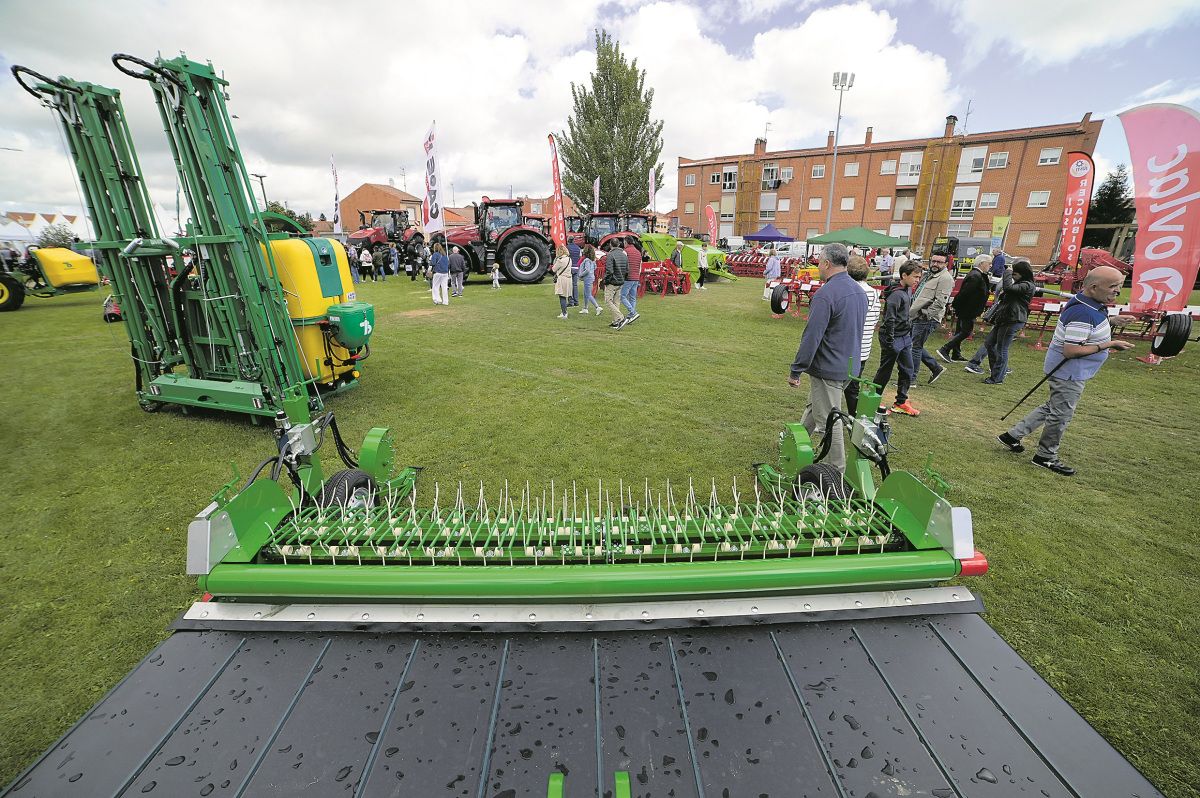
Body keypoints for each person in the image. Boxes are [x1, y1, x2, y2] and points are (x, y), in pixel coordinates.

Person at [998, 266, 1134, 476]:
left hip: (1068, 371)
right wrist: (1108, 344)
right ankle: (1045, 456)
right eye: (1113, 286)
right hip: (1069, 371)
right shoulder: (1083, 312)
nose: (1117, 291)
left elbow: (1087, 329)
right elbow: (1071, 350)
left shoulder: (1090, 304)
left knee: (1052, 406)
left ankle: (1013, 435)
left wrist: (1112, 322)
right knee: (1061, 414)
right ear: (1094, 287)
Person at [786, 243, 867, 471]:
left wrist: (796, 369)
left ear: (827, 263)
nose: (818, 266)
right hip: (848, 367)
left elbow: (812, 336)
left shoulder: (826, 294)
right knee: (817, 408)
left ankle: (836, 473)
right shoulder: (859, 291)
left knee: (830, 422)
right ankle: (793, 448)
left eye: (819, 262)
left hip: (828, 367)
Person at [964, 259, 1037, 383]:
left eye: (1015, 273)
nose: (1012, 276)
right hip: (1004, 318)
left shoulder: (1027, 285)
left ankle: (997, 377)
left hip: (1012, 319)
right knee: (989, 344)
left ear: (1022, 273)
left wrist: (1007, 272)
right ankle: (996, 372)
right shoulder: (1021, 283)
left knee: (1002, 348)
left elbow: (1008, 288)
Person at [873, 261, 922, 416]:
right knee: (885, 371)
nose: (917, 280)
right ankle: (873, 401)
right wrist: (889, 340)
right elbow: (889, 319)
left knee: (908, 369)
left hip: (905, 337)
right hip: (892, 338)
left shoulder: (908, 290)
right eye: (915, 276)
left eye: (919, 277)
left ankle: (901, 402)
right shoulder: (896, 294)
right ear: (904, 275)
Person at [844, 255, 881, 416]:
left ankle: (853, 418)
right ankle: (855, 418)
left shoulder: (851, 292)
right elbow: (875, 320)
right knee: (852, 387)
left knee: (839, 386)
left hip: (848, 348)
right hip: (864, 349)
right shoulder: (874, 293)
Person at [909, 253, 954, 384]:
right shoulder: (928, 274)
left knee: (915, 347)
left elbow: (941, 302)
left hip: (927, 318)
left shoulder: (945, 278)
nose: (935, 264)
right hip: (917, 315)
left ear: (945, 264)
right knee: (914, 345)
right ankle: (936, 368)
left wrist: (926, 314)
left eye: (939, 262)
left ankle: (911, 380)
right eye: (933, 261)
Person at [938, 253, 991, 363]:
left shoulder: (977, 275)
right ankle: (945, 349)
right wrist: (956, 305)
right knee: (966, 331)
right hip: (968, 309)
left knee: (960, 331)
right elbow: (964, 293)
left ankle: (956, 353)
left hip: (967, 308)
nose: (990, 265)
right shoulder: (976, 276)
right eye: (989, 263)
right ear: (982, 263)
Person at [602, 239, 628, 328]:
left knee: (608, 301)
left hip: (612, 281)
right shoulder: (624, 255)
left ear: (610, 245)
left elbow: (609, 270)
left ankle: (620, 317)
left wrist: (605, 280)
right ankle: (616, 321)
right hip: (620, 281)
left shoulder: (610, 254)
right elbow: (627, 269)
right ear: (619, 244)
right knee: (616, 302)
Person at [620, 236, 642, 326]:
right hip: (636, 277)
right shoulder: (638, 252)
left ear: (626, 242)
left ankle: (633, 312)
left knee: (622, 296)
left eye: (624, 242)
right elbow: (640, 266)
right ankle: (630, 316)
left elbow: (624, 265)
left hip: (628, 277)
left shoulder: (625, 252)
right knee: (632, 297)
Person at [577, 243, 602, 314]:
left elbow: (587, 270)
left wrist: (581, 275)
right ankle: (585, 308)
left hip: (588, 278)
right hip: (591, 277)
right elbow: (595, 268)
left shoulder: (587, 260)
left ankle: (597, 307)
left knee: (588, 294)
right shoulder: (593, 260)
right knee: (586, 293)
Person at [551, 245, 573, 319]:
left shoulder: (560, 260)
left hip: (562, 279)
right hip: (569, 279)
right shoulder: (569, 259)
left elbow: (554, 269)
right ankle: (564, 312)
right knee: (565, 296)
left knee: (562, 297)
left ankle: (564, 313)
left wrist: (556, 260)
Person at [567, 238, 582, 307]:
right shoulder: (578, 248)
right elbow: (580, 257)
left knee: (569, 285)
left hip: (569, 267)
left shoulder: (567, 248)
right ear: (574, 240)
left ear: (568, 241)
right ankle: (576, 302)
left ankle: (571, 302)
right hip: (576, 267)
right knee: (575, 285)